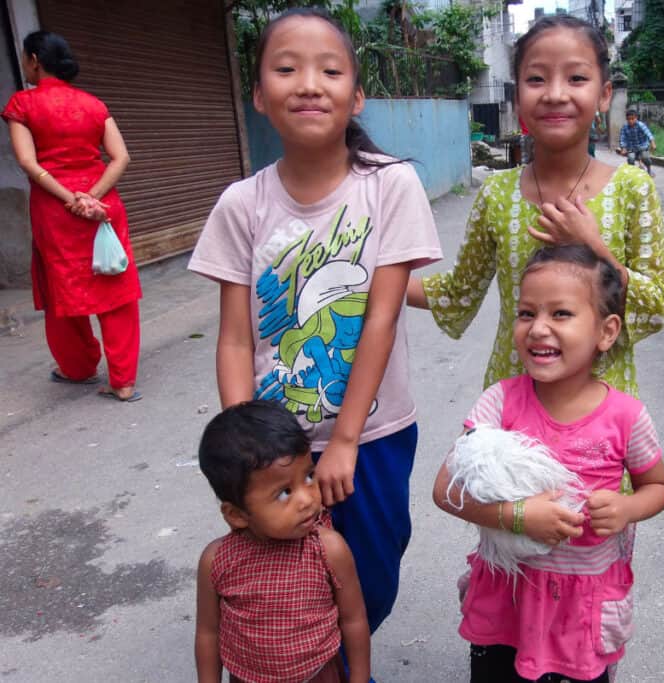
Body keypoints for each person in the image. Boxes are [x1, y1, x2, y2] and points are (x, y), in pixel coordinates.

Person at [188, 7, 442, 640]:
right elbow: (236, 336)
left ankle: (343, 652)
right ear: (258, 94)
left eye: (329, 70)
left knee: (372, 576)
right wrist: (248, 454)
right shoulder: (240, 205)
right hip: (278, 448)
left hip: (375, 433)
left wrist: (348, 439)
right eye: (286, 68)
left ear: (355, 96)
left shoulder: (390, 186)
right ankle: (316, 663)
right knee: (289, 580)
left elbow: (381, 316)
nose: (308, 83)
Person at [434, 244, 664, 682]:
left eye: (560, 314)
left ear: (606, 331)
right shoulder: (499, 403)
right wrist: (518, 516)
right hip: (507, 600)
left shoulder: (626, 417)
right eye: (527, 314)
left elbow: (656, 488)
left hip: (580, 611)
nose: (538, 328)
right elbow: (445, 491)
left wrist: (626, 509)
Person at [408, 15, 664, 400]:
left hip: (600, 422)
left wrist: (593, 247)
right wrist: (376, 279)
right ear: (517, 100)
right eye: (536, 79)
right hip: (511, 416)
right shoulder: (497, 193)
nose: (554, 93)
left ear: (604, 94)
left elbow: (657, 308)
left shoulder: (633, 189)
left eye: (576, 78)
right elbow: (458, 295)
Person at [3, 30, 142, 402]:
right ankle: (124, 381)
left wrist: (71, 199)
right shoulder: (94, 104)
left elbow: (28, 163)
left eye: (24, 57)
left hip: (56, 211)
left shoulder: (22, 104)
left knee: (64, 288)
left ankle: (78, 367)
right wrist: (92, 197)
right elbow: (121, 157)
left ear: (35, 59)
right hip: (103, 207)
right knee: (114, 285)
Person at [194, 400, 371, 683]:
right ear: (237, 514)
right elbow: (208, 632)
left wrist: (359, 679)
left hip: (319, 675)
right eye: (284, 493)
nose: (306, 499)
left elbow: (353, 620)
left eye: (309, 476)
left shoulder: (328, 549)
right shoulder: (216, 561)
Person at [617, 109, 655, 176]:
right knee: (631, 159)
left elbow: (648, 133)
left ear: (636, 118)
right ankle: (633, 173)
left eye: (632, 119)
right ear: (626, 119)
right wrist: (623, 147)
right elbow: (622, 138)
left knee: (645, 158)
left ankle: (649, 169)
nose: (630, 121)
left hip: (643, 146)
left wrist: (652, 142)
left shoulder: (641, 125)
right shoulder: (625, 127)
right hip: (631, 147)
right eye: (628, 119)